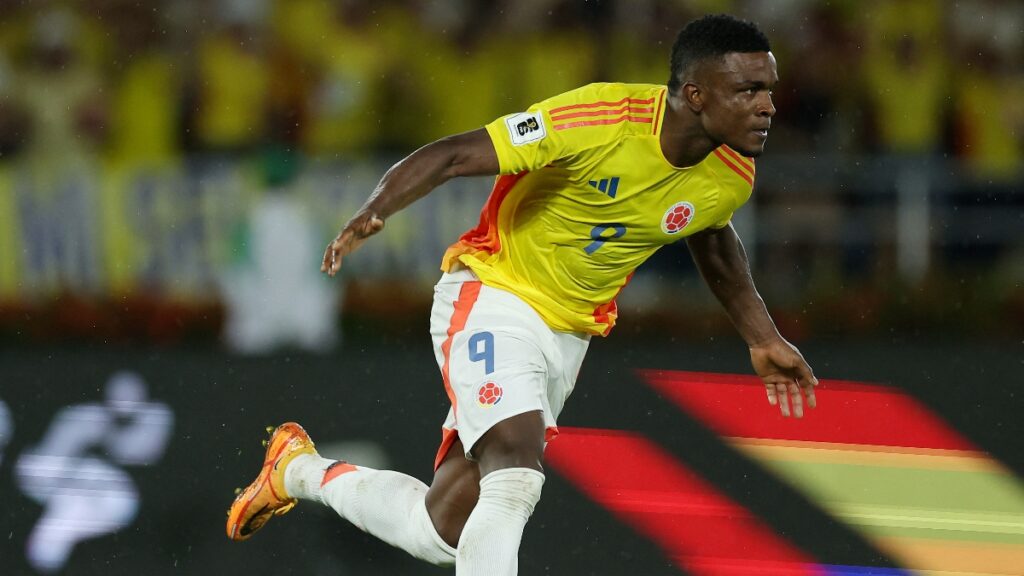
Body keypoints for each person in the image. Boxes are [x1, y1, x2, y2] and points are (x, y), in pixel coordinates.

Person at [226, 14, 819, 575]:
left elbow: (711, 237)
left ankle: (297, 472)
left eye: (769, 88)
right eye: (748, 91)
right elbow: (458, 153)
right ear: (695, 95)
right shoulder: (599, 118)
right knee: (515, 471)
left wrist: (761, 335)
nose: (767, 105)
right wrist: (375, 209)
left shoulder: (731, 174)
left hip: (567, 335)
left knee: (444, 530)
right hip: (493, 292)